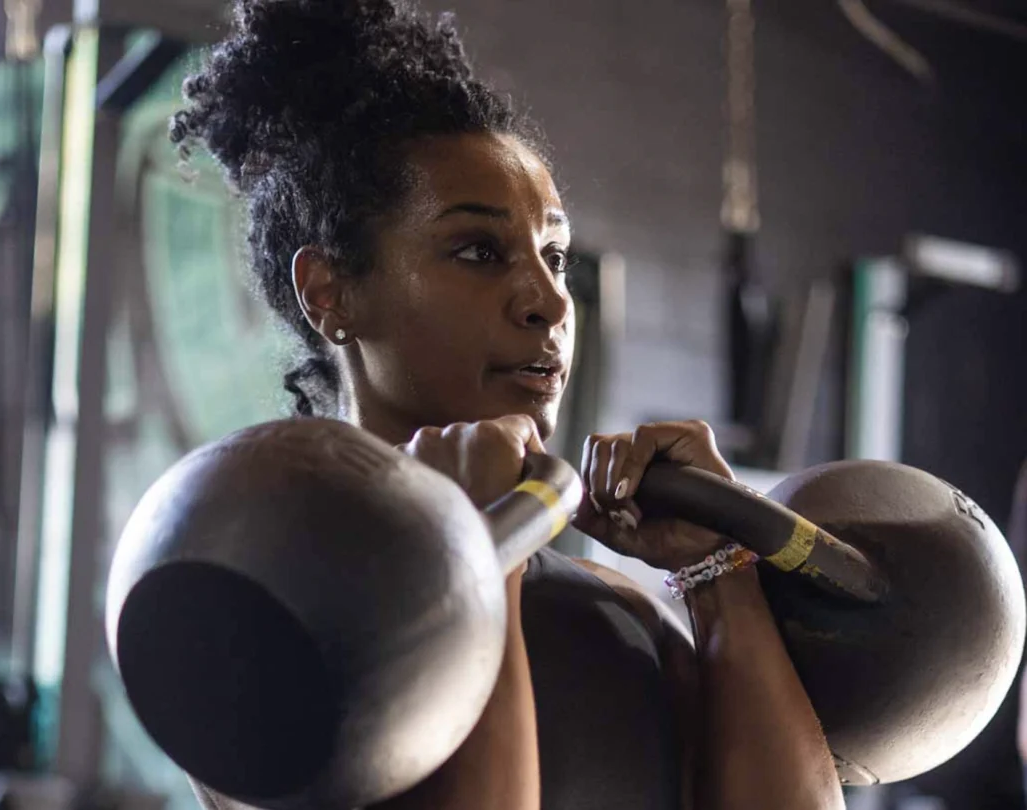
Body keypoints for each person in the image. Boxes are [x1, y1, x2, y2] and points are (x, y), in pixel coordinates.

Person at [171, 1, 844, 808]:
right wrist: (478, 539)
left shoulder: (622, 620)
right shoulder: (263, 608)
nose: (550, 303)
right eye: (479, 250)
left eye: (554, 255)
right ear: (330, 292)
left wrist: (718, 572)